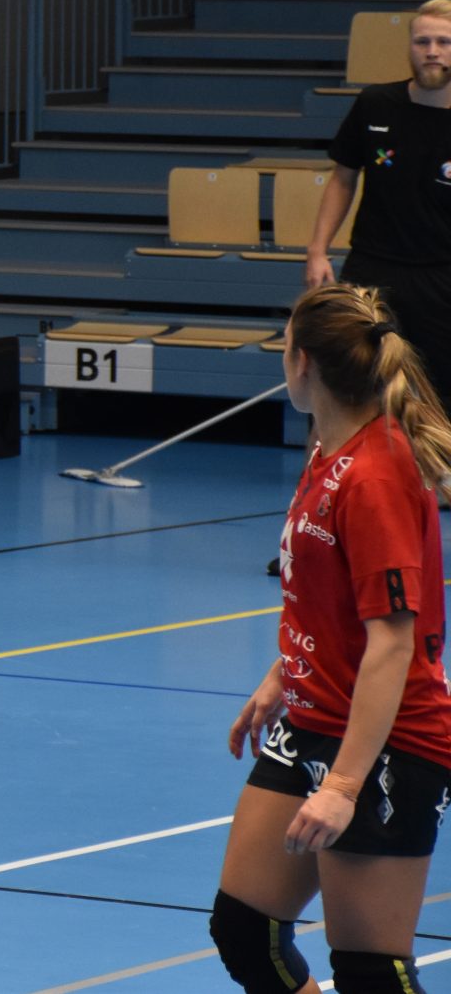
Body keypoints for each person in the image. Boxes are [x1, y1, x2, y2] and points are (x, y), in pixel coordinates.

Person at [211, 282, 451, 994]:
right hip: (313, 716)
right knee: (245, 930)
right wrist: (282, 674)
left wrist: (345, 786)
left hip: (386, 741)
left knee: (371, 974)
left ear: (303, 362)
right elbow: (328, 595)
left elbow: (393, 643)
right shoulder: (329, 449)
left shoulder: (375, 475)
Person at [305, 0, 451, 413]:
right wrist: (317, 251)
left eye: (444, 42)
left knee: (439, 393)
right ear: (410, 47)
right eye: (422, 41)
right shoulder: (375, 104)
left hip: (442, 277)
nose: (432, 51)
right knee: (348, 382)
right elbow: (342, 178)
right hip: (372, 269)